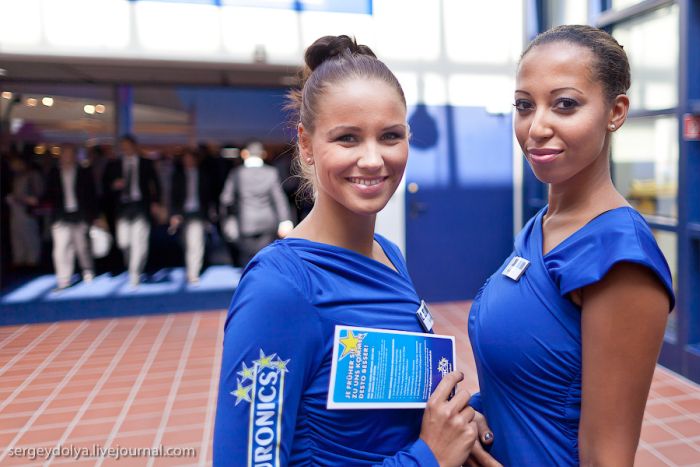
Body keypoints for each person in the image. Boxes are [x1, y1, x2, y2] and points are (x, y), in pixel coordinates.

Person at [214, 35, 498, 466]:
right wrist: (428, 457)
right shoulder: (280, 289)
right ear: (306, 145)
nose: (372, 159)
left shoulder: (389, 255)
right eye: (347, 138)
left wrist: (456, 422)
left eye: (389, 136)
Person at [467, 25, 675, 466]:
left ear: (615, 112)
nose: (536, 127)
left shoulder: (619, 258)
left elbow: (607, 458)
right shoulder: (543, 224)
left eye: (565, 104)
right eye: (525, 106)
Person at [219, 140, 293, 265]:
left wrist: (227, 218)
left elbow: (226, 199)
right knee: (266, 259)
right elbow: (278, 198)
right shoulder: (271, 172)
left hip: (245, 222)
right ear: (261, 154)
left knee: (249, 261)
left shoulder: (237, 173)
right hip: (268, 222)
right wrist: (285, 220)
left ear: (245, 154)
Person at [102, 134, 161, 287]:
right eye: (123, 146)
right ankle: (132, 267)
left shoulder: (146, 163)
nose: (125, 149)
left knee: (139, 241)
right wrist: (114, 186)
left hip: (141, 205)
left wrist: (157, 203)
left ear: (134, 146)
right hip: (122, 207)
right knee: (124, 242)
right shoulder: (114, 165)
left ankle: (135, 273)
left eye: (128, 146)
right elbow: (105, 187)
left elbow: (156, 185)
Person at [44, 143, 98, 289]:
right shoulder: (54, 173)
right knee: (61, 248)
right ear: (60, 156)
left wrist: (94, 216)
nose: (67, 157)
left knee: (82, 246)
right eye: (65, 154)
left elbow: (92, 196)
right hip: (61, 215)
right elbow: (48, 194)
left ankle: (87, 269)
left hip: (80, 214)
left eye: (70, 154)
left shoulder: (84, 172)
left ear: (74, 156)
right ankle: (64, 278)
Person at [169, 148, 214, 284]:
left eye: (190, 159)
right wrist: (174, 214)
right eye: (185, 159)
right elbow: (173, 196)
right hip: (183, 214)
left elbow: (209, 197)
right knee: (186, 243)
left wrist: (209, 216)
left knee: (196, 243)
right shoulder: (178, 176)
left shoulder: (204, 175)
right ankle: (191, 268)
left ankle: (192, 273)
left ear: (195, 160)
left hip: (198, 214)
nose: (187, 162)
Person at [6, 154, 44, 269]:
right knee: (17, 237)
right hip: (15, 211)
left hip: (27, 212)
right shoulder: (16, 177)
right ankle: (20, 260)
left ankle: (32, 261)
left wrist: (24, 199)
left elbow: (39, 194)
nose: (13, 166)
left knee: (30, 237)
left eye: (15, 163)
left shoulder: (32, 175)